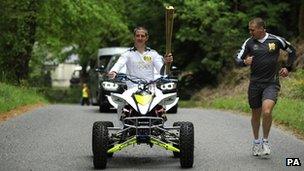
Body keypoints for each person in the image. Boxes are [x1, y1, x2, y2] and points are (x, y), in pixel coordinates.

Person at [235, 17, 296, 156]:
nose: (250, 32)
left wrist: (288, 68)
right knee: (256, 114)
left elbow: (292, 50)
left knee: (267, 111)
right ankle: (256, 142)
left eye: (252, 30)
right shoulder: (249, 42)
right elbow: (237, 59)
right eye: (249, 30)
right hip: (255, 84)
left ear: (262, 29)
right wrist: (245, 61)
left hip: (271, 83)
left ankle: (266, 141)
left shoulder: (276, 40)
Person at [108, 26, 173, 83]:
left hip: (149, 88)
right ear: (134, 37)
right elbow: (119, 64)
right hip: (132, 89)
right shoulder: (127, 54)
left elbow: (163, 73)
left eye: (142, 36)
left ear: (146, 38)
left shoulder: (153, 54)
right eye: (137, 36)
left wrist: (167, 63)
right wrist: (113, 72)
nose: (140, 38)